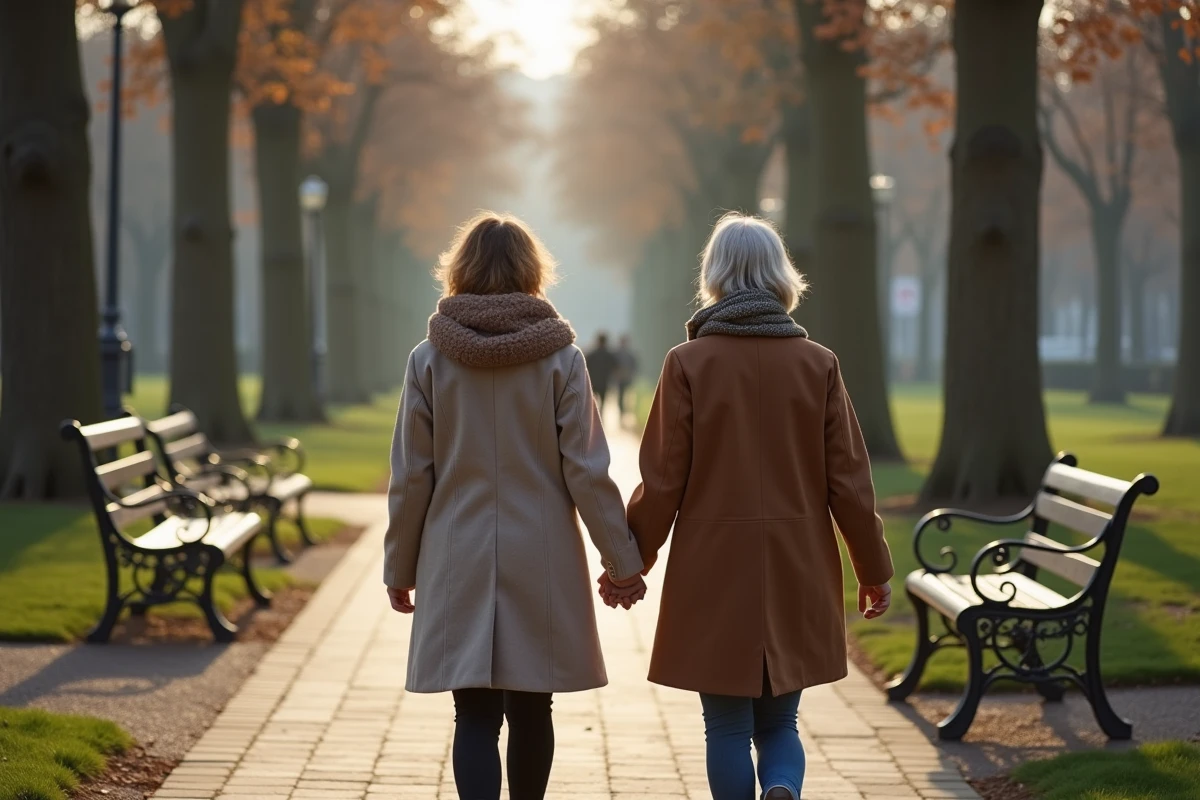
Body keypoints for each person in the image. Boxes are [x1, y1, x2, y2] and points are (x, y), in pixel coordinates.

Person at [605, 212, 894, 800]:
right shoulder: (819, 364)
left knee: (727, 726)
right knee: (781, 723)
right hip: (798, 561)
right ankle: (783, 787)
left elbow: (662, 481)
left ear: (714, 274)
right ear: (781, 275)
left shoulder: (687, 364)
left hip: (715, 567)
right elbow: (850, 483)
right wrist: (873, 569)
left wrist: (631, 559)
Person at [383, 211, 648, 800]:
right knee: (534, 710)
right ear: (533, 270)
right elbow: (586, 470)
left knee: (473, 714)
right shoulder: (561, 358)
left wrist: (399, 569)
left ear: (461, 269)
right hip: (542, 552)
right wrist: (623, 562)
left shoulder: (430, 359)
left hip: (457, 552)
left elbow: (411, 477)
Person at [585, 332, 618, 413]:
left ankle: (593, 417)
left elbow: (585, 367)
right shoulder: (609, 355)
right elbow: (615, 368)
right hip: (604, 382)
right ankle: (600, 416)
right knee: (602, 402)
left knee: (592, 402)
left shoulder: (592, 354)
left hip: (593, 382)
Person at [614, 335, 639, 422]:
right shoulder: (625, 354)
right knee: (621, 396)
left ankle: (624, 412)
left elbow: (634, 366)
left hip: (625, 378)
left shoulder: (622, 354)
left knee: (626, 396)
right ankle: (622, 412)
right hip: (621, 379)